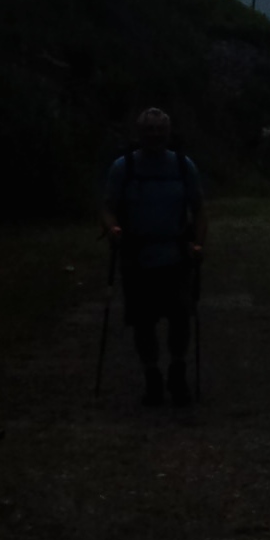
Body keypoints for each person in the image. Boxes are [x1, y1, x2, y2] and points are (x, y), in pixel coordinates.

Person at [103, 106, 207, 408]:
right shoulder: (123, 168)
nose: (155, 136)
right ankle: (152, 376)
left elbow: (199, 209)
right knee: (143, 322)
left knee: (180, 318)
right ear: (139, 134)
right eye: (149, 130)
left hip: (175, 255)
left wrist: (198, 244)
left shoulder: (183, 166)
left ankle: (176, 371)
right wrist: (112, 228)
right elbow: (107, 207)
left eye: (160, 130)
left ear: (168, 133)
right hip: (137, 257)